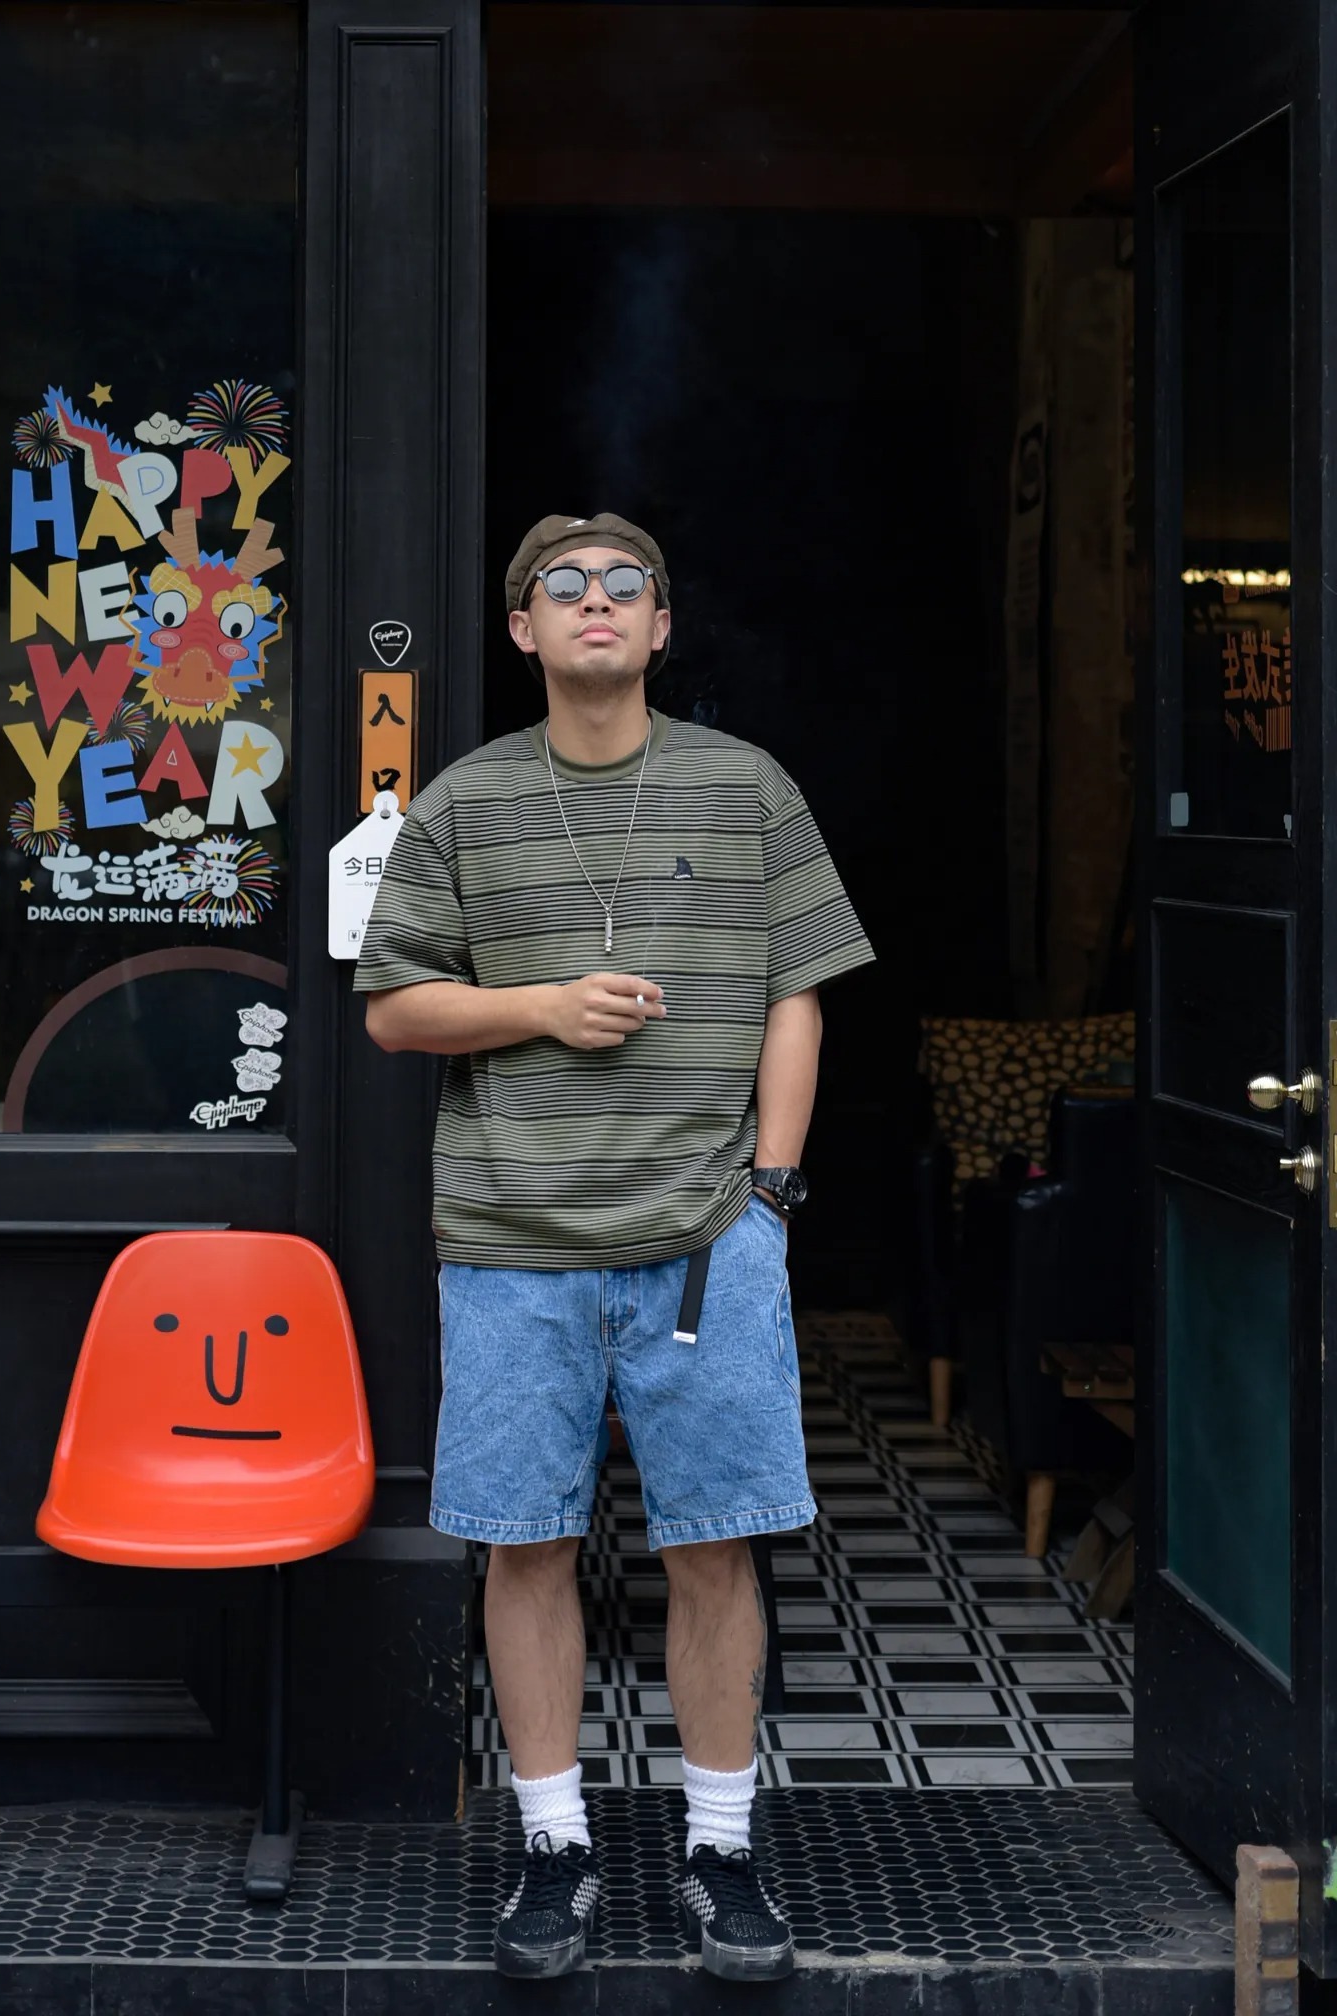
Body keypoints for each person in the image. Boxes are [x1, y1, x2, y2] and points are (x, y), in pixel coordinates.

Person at [354, 512, 875, 1982]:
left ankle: (721, 1849)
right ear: (523, 630)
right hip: (512, 1238)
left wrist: (771, 1195)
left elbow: (797, 994)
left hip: (708, 1235)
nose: (597, 602)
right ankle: (553, 1846)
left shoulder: (745, 785)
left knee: (714, 1544)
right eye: (564, 587)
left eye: (624, 585)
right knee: (523, 1546)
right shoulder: (463, 803)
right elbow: (393, 1008)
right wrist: (543, 1006)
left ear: (661, 626)